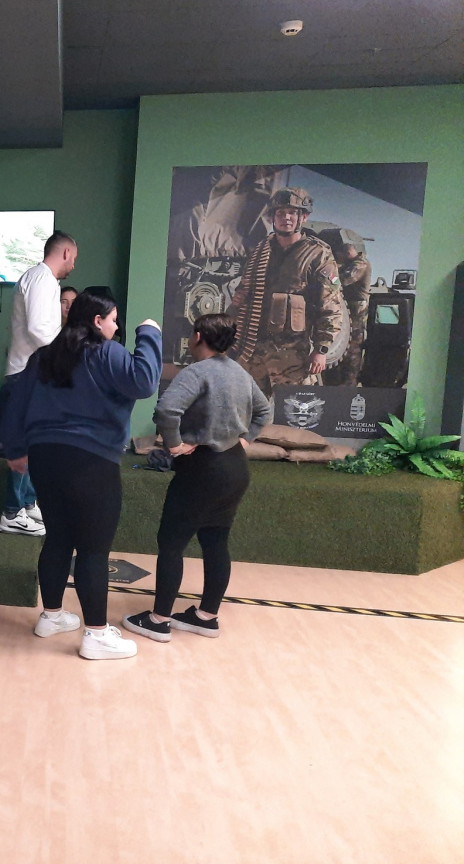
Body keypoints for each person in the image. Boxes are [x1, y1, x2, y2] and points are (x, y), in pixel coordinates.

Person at [1, 291, 162, 660]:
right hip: (92, 462)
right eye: (114, 320)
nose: (116, 327)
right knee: (93, 549)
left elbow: (14, 403)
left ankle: (52, 616)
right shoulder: (107, 352)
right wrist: (149, 334)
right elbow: (144, 382)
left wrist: (14, 450)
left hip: (44, 458)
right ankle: (97, 635)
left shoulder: (44, 356)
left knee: (57, 538)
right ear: (97, 321)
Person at [123, 314, 272, 642]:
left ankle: (159, 620)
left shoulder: (196, 372)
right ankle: (206, 617)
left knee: (172, 543)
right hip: (235, 467)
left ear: (199, 337)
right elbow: (264, 411)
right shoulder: (239, 372)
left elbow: (166, 411)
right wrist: (244, 441)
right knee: (216, 541)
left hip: (202, 469)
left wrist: (174, 445)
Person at [0, 230, 78, 537]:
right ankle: (12, 512)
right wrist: (66, 355)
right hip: (26, 374)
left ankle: (27, 503)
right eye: (74, 258)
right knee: (24, 443)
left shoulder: (41, 279)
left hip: (30, 372)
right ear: (66, 253)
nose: (73, 266)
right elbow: (38, 328)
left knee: (33, 442)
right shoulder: (42, 279)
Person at [228, 187, 345, 397]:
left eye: (292, 213)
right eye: (280, 213)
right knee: (248, 410)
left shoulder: (317, 253)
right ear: (272, 217)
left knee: (292, 411)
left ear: (303, 217)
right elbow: (243, 294)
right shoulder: (260, 250)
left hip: (292, 356)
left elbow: (330, 306)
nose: (286, 218)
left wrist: (321, 349)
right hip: (252, 350)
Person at [321, 228, 371, 388]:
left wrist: (327, 275)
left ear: (348, 252)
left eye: (340, 253)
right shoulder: (348, 264)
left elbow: (341, 281)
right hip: (343, 315)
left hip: (355, 317)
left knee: (351, 355)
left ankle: (348, 388)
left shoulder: (360, 264)